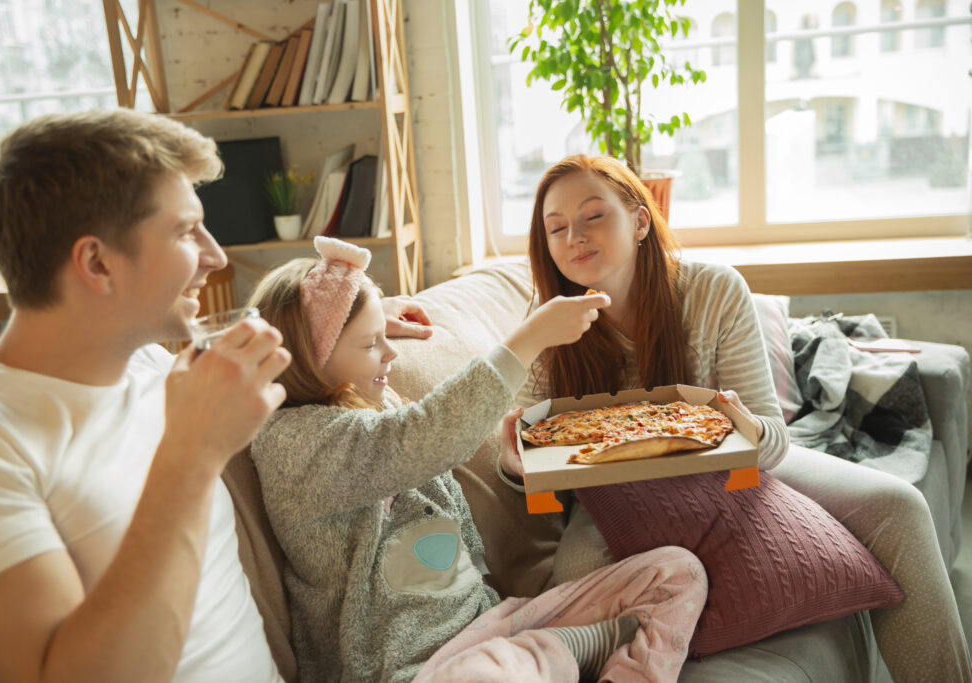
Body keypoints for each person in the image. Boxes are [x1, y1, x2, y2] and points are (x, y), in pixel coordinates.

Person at [0, 109, 428, 683]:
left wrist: (367, 327)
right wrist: (192, 457)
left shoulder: (156, 367)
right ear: (97, 262)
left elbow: (285, 337)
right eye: (185, 231)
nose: (216, 255)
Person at [499, 153, 972, 682]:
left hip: (728, 472)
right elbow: (537, 466)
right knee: (579, 572)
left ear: (638, 220)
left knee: (899, 505)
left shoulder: (714, 291)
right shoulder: (547, 323)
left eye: (593, 216)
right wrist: (515, 467)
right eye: (556, 227)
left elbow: (772, 441)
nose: (574, 238)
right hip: (619, 493)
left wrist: (740, 425)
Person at [246, 235, 709, 683]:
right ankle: (566, 650)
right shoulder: (293, 444)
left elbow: (333, 354)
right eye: (371, 345)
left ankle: (564, 655)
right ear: (308, 359)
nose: (388, 352)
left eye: (380, 337)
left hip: (489, 627)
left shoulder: (364, 401)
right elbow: (423, 437)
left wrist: (369, 316)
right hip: (408, 669)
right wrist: (527, 341)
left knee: (677, 572)